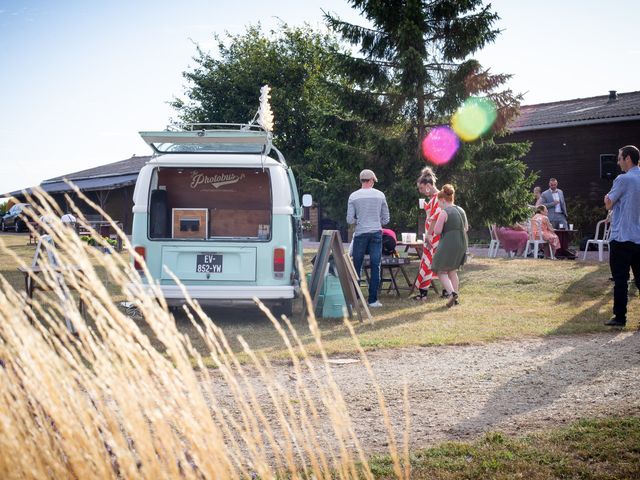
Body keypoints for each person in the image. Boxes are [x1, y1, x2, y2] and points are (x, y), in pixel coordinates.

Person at [603, 145, 640, 327]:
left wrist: (606, 198)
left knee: (620, 279)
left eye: (619, 158)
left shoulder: (623, 179)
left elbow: (609, 203)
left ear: (627, 158)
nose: (618, 163)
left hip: (622, 236)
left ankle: (620, 317)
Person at [347, 169, 390, 308]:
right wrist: (376, 220)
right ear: (371, 180)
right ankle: (372, 300)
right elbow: (386, 218)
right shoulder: (380, 195)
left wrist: (359, 220)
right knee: (375, 265)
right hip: (376, 233)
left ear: (361, 180)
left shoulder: (353, 196)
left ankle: (354, 299)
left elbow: (349, 219)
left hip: (360, 233)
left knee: (357, 265)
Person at [431, 184, 468, 307]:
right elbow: (466, 228)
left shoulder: (444, 212)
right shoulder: (461, 210)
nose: (439, 205)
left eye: (439, 203)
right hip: (462, 242)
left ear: (442, 200)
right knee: (452, 270)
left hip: (449, 242)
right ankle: (455, 296)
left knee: (440, 270)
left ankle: (452, 294)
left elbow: (437, 231)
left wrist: (432, 220)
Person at [413, 167, 441, 300]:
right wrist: (426, 206)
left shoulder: (438, 198)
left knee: (428, 262)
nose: (421, 191)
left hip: (434, 235)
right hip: (432, 234)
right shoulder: (434, 198)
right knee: (429, 262)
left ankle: (423, 292)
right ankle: (445, 291)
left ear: (428, 185)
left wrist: (429, 236)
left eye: (422, 188)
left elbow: (435, 218)